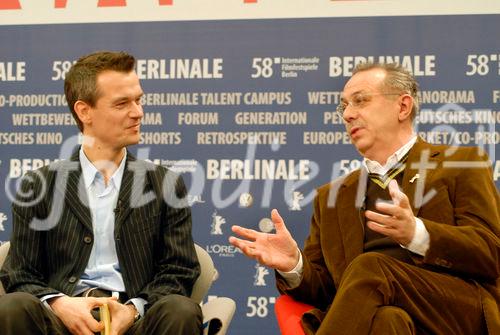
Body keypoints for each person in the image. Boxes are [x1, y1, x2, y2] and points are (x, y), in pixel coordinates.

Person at [230, 62, 500, 335]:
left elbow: (490, 253)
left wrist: (417, 234)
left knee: (371, 266)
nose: (347, 114)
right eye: (343, 106)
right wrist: (295, 265)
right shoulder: (331, 197)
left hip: (454, 313)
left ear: (403, 107)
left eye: (360, 101)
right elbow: (328, 291)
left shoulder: (462, 164)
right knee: (387, 319)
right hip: (382, 321)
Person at [0, 51, 203, 335]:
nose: (138, 112)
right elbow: (19, 274)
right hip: (60, 322)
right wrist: (59, 304)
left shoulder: (165, 184)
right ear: (84, 111)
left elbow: (179, 271)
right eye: (122, 103)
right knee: (12, 307)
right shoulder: (39, 185)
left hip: (136, 321)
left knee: (181, 310)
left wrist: (131, 311)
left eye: (138, 100)